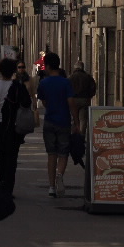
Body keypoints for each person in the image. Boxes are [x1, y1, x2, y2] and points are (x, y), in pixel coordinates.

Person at [37, 52, 80, 197]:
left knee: (51, 154)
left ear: (48, 66)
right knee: (63, 153)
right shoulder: (66, 82)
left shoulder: (43, 83)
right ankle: (60, 175)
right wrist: (76, 122)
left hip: (49, 121)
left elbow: (43, 102)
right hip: (64, 122)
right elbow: (71, 103)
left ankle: (51, 187)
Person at [0, 58, 30, 194]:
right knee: (12, 157)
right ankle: (9, 187)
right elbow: (25, 103)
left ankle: (2, 183)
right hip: (15, 125)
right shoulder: (17, 85)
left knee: (2, 155)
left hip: (0, 125)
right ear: (14, 71)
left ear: (0, 70)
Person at [69, 59, 97, 135]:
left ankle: (74, 135)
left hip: (73, 100)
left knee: (74, 119)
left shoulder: (71, 77)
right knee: (83, 119)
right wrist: (89, 96)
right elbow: (93, 88)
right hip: (84, 100)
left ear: (75, 68)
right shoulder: (88, 77)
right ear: (82, 67)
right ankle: (81, 136)